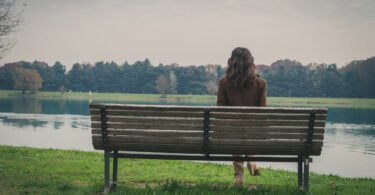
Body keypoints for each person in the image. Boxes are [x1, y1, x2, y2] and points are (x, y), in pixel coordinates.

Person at [216, 47, 267, 186]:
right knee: (248, 129)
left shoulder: (223, 83)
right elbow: (262, 115)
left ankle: (239, 174)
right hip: (252, 133)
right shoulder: (261, 84)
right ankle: (251, 159)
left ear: (232, 62)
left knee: (235, 130)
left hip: (231, 133)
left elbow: (220, 113)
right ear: (250, 63)